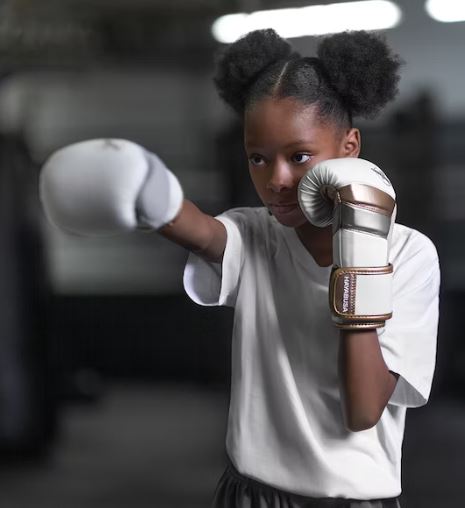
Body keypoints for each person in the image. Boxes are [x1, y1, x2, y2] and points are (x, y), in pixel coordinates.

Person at [39, 29, 440, 508]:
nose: (277, 180)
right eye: (258, 158)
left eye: (299, 156)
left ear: (350, 147)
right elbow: (203, 233)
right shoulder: (258, 234)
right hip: (248, 493)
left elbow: (363, 409)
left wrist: (359, 254)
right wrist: (145, 190)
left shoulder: (411, 255)